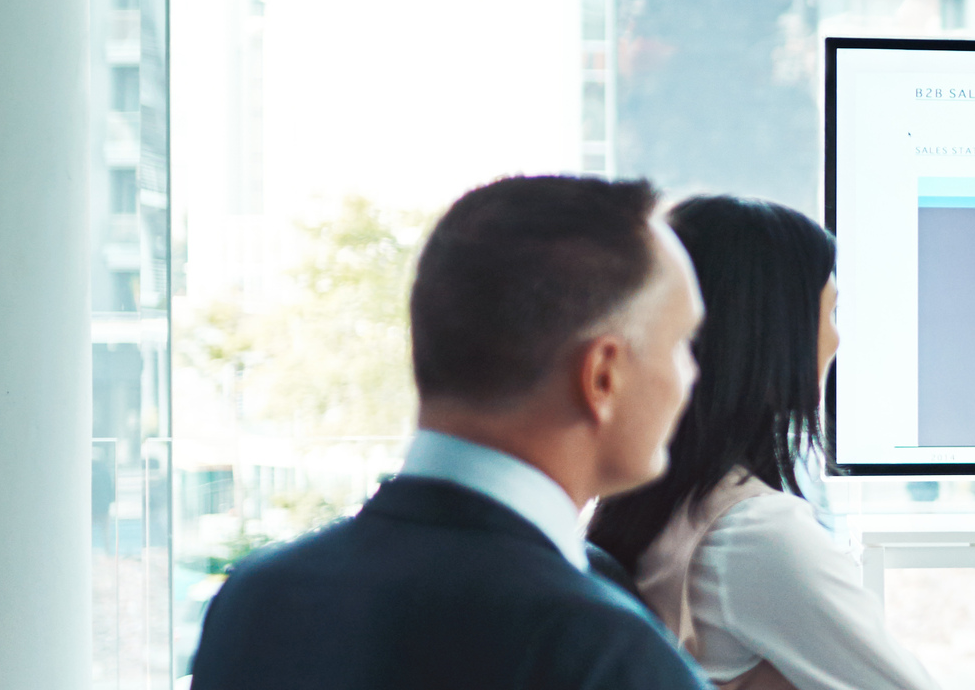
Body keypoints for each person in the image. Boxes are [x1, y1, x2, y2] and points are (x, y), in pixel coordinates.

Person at [193, 175, 711, 690]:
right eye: (682, 342)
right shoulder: (612, 656)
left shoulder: (253, 600)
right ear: (603, 374)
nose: (692, 375)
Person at [590, 196, 943, 690]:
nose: (837, 340)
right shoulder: (753, 534)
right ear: (775, 336)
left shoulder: (652, 499)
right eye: (831, 312)